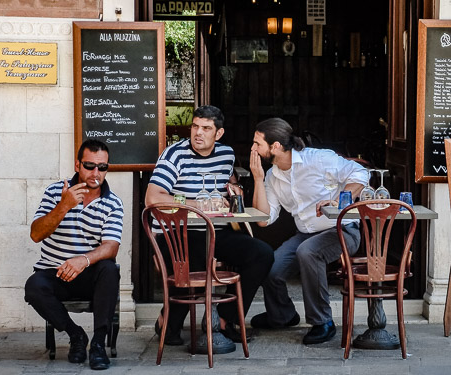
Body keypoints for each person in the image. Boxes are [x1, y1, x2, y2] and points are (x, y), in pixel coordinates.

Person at [145, 105, 274, 345]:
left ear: (219, 133)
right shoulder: (175, 155)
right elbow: (153, 197)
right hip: (175, 234)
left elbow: (230, 185)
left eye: (206, 128)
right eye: (195, 126)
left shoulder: (226, 155)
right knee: (193, 261)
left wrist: (232, 192)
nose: (198, 133)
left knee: (261, 254)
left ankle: (225, 319)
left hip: (214, 231)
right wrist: (196, 203)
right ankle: (168, 321)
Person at [249, 117, 367, 345]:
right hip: (305, 235)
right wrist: (257, 178)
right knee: (270, 267)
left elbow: (359, 173)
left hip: (342, 229)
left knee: (308, 252)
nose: (253, 148)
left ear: (275, 146)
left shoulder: (319, 159)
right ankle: (283, 315)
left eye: (257, 143)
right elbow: (265, 219)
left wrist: (341, 200)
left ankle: (323, 322)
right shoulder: (273, 176)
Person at [25, 139, 123, 370]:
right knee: (33, 286)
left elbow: (111, 246)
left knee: (109, 269)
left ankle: (98, 343)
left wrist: (84, 260)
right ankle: (76, 335)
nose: (96, 172)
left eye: (103, 167)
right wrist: (64, 206)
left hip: (88, 275)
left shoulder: (113, 203)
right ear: (78, 165)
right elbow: (36, 234)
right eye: (90, 166)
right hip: (55, 273)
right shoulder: (55, 192)